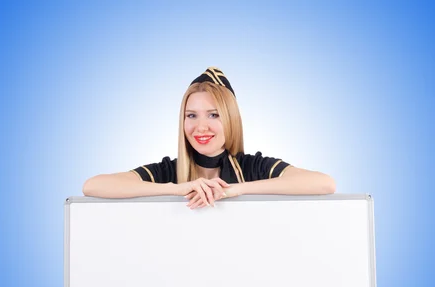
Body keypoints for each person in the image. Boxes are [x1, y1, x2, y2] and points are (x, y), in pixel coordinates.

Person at [82, 67, 336, 209]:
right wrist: (177, 189)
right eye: (191, 116)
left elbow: (323, 184)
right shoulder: (168, 172)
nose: (201, 127)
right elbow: (93, 186)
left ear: (230, 119)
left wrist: (234, 191)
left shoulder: (253, 168)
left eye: (213, 115)